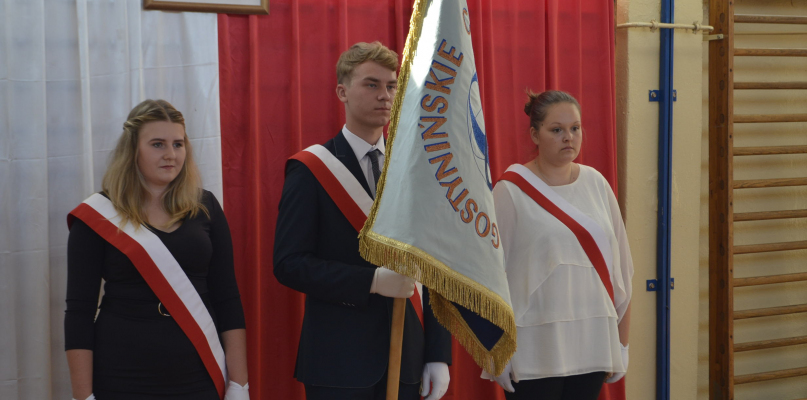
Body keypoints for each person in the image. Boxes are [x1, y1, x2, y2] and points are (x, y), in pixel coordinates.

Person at [273, 41, 453, 400]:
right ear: (342, 91)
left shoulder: (414, 170)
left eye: (391, 86)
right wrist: (370, 281)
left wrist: (437, 354)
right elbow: (289, 264)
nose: (384, 95)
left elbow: (434, 267)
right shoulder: (311, 170)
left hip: (407, 355)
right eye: (371, 84)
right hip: (338, 362)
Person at [64, 100, 249, 400]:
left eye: (178, 144)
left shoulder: (206, 207)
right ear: (132, 151)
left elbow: (227, 298)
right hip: (121, 375)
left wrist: (240, 385)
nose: (170, 155)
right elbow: (79, 313)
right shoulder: (96, 216)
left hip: (198, 372)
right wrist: (83, 396)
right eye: (157, 144)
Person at [488, 90, 633, 400]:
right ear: (534, 134)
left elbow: (622, 269)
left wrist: (622, 343)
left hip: (592, 339)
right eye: (557, 130)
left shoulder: (596, 184)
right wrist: (496, 347)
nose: (568, 137)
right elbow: (492, 274)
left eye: (575, 128)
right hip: (534, 345)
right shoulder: (510, 190)